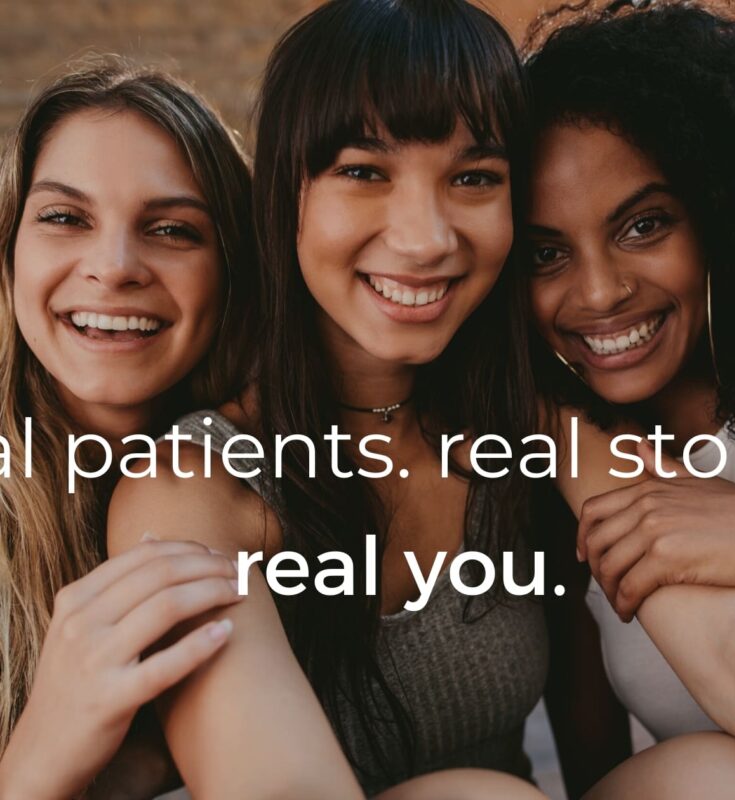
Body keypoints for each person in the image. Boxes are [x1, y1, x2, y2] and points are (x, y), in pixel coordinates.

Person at [106, 1, 562, 797]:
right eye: (362, 171)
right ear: (285, 194)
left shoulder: (532, 426)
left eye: (474, 177)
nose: (425, 239)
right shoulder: (196, 484)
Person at [524, 0, 735, 793]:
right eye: (546, 253)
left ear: (721, 212)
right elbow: (599, 769)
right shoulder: (563, 472)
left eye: (643, 226)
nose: (601, 292)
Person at [0, 59, 259, 799]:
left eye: (172, 229)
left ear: (233, 272)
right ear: (10, 251)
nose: (113, 268)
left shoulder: (274, 480)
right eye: (63, 217)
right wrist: (41, 756)